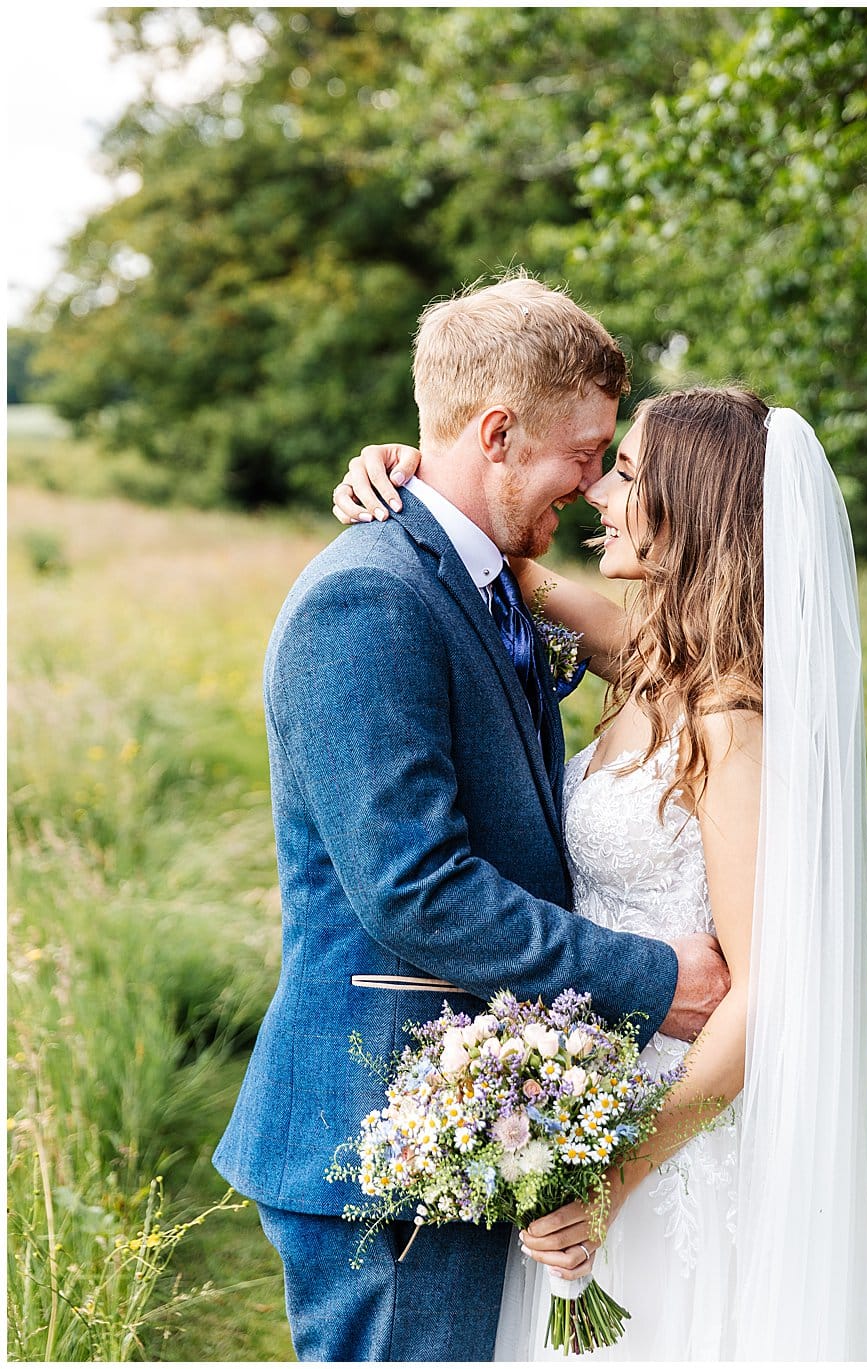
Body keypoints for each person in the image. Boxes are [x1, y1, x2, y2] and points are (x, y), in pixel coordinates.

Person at [212, 275, 730, 1364]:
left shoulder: (487, 579)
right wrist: (649, 978)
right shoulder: (370, 595)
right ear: (498, 432)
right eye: (583, 453)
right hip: (389, 1126)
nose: (594, 487)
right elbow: (414, 888)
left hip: (478, 1116)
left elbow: (665, 670)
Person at [335, 386, 867, 1358]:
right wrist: (402, 465)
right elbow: (487, 541)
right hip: (581, 1100)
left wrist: (612, 1176)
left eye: (626, 473)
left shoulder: (730, 718)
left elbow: (766, 997)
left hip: (668, 1137)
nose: (597, 492)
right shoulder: (655, 664)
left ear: (691, 507)